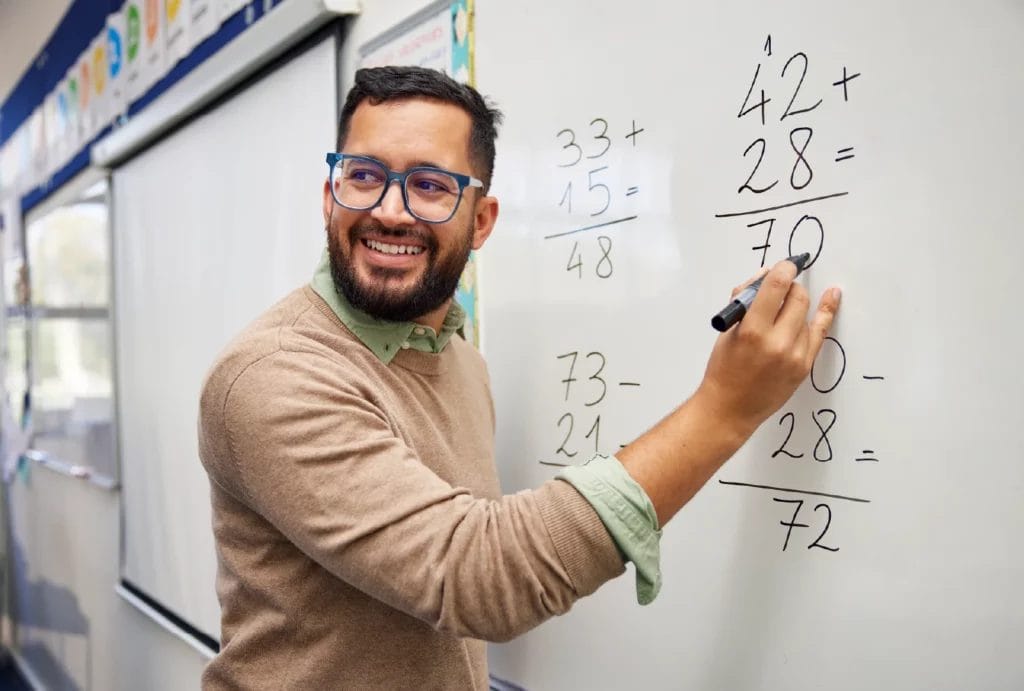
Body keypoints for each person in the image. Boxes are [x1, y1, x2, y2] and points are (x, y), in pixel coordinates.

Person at [197, 65, 841, 690]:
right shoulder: (272, 376)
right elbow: (476, 576)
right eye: (363, 176)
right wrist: (724, 408)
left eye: (430, 185)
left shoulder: (459, 361)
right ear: (328, 196)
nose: (390, 211)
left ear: (481, 221)